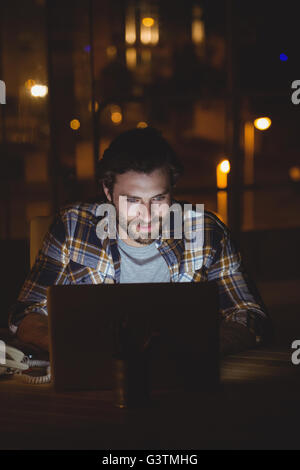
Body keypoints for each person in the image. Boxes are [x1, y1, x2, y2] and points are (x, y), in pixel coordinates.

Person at [8, 127, 270, 357]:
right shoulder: (73, 226)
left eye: (158, 199)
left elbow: (250, 315)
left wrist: (202, 348)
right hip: (94, 378)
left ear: (172, 192)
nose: (146, 215)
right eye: (132, 200)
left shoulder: (206, 231)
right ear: (108, 191)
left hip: (184, 379)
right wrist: (79, 350)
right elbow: (25, 314)